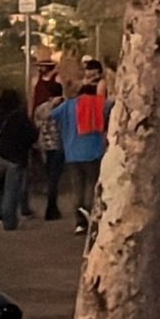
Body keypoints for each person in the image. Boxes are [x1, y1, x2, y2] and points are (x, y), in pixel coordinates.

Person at [52, 72, 110, 235]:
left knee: (77, 187)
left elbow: (51, 115)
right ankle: (91, 216)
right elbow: (113, 106)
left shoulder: (69, 105)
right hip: (94, 152)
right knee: (92, 186)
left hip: (72, 154)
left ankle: (79, 222)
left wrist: (57, 102)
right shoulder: (99, 104)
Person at [0, 89, 38, 232]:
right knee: (11, 190)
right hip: (15, 157)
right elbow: (32, 135)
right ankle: (9, 221)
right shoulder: (20, 117)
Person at [32, 84, 67, 221]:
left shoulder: (40, 108)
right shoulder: (63, 107)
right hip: (59, 145)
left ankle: (51, 204)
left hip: (44, 146)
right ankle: (51, 207)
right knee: (55, 178)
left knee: (49, 176)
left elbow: (36, 125)